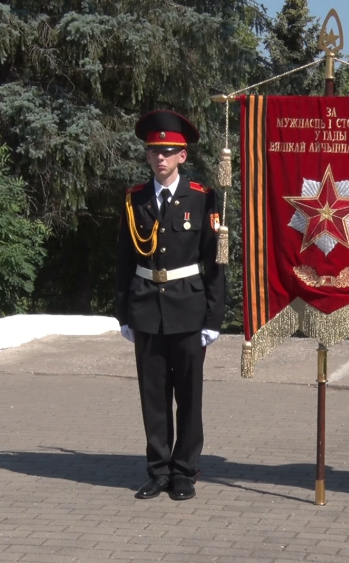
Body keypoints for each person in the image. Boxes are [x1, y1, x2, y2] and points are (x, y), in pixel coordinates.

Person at [116, 110, 225, 501]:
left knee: (188, 395)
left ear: (182, 156)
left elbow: (215, 261)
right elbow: (125, 260)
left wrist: (214, 317)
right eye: (153, 151)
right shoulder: (135, 200)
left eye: (167, 151)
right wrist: (123, 313)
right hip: (146, 307)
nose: (159, 158)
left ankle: (185, 470)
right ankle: (158, 469)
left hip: (189, 308)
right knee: (153, 394)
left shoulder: (201, 198)